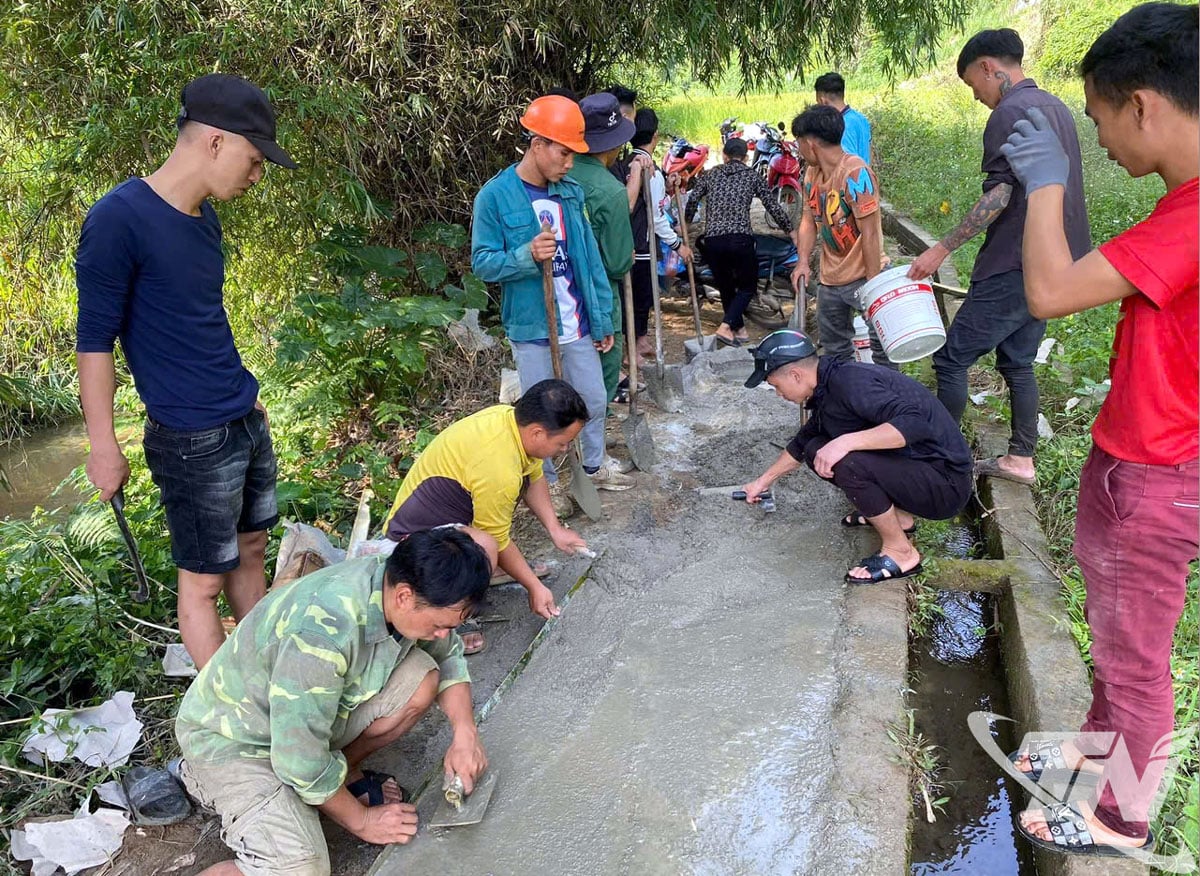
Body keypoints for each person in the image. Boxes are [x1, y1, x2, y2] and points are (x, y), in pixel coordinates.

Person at [998, 3, 1198, 858]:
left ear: (1144, 105)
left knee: (1133, 660)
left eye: (1100, 118)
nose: (1103, 141)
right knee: (1122, 642)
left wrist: (1046, 184)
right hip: (1153, 459)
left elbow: (1048, 291)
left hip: (1152, 472)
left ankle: (1121, 819)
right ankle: (1088, 758)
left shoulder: (1189, 219)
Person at [75, 74, 298, 670]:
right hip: (189, 437)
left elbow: (202, 318)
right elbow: (94, 344)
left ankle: (267, 679)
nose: (256, 176)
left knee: (252, 548)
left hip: (240, 416)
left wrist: (245, 392)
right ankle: (228, 722)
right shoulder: (118, 219)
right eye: (254, 160)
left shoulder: (203, 220)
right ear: (217, 142)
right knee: (201, 583)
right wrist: (104, 446)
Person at [176, 527, 495, 876]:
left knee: (423, 678)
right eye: (438, 625)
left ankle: (330, 785)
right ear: (404, 596)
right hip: (233, 743)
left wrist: (465, 735)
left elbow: (447, 657)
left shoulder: (393, 582)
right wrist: (363, 821)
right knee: (298, 868)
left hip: (290, 724)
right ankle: (289, 808)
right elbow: (299, 759)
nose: (443, 634)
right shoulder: (321, 635)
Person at [907, 29, 1091, 486]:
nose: (977, 97)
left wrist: (942, 247)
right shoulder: (1056, 107)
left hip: (1015, 260)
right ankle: (1020, 458)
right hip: (1060, 261)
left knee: (951, 360)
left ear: (990, 67)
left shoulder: (1008, 111)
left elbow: (1001, 194)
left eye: (974, 85)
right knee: (1017, 361)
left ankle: (943, 461)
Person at [471, 94, 635, 514]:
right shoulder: (495, 197)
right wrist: (526, 255)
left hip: (575, 322)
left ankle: (593, 468)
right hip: (532, 328)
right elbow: (483, 264)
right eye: (563, 153)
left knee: (595, 400)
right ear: (537, 143)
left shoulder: (570, 193)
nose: (568, 163)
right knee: (541, 418)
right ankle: (550, 485)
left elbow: (589, 260)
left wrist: (601, 318)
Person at [740, 330, 974, 584]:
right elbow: (802, 443)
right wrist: (762, 482)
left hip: (945, 484)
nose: (779, 394)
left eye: (776, 386)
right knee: (816, 448)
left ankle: (901, 552)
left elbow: (915, 424)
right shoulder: (828, 387)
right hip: (921, 471)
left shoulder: (851, 383)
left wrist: (845, 442)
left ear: (796, 375)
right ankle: (899, 517)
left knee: (846, 463)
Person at [384, 379, 593, 621]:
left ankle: (484, 572)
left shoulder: (510, 420)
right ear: (537, 433)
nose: (565, 449)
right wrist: (534, 586)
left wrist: (555, 529)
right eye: (562, 443)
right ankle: (454, 618)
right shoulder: (499, 468)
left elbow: (533, 476)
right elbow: (496, 538)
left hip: (442, 529)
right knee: (486, 548)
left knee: (487, 547)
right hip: (413, 548)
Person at [789, 105, 894, 369]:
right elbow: (808, 221)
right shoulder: (812, 174)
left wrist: (873, 287)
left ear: (810, 144)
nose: (798, 149)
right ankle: (846, 399)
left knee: (882, 347)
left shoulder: (856, 174)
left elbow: (870, 233)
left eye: (799, 142)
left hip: (864, 274)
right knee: (835, 348)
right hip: (831, 278)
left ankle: (887, 401)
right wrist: (802, 262)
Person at [684, 137, 792, 346]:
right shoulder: (751, 175)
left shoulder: (711, 174)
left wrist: (686, 223)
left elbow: (692, 199)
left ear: (724, 155)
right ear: (745, 157)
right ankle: (726, 327)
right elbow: (772, 205)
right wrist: (790, 229)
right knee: (747, 287)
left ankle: (739, 330)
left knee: (726, 286)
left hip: (713, 241)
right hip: (740, 240)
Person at [572, 93, 637, 407]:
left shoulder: (557, 173)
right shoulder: (611, 192)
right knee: (601, 375)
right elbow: (617, 262)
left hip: (560, 293)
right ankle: (594, 443)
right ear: (614, 145)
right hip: (598, 297)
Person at [612, 108, 693, 362]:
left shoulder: (622, 165)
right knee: (640, 299)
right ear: (655, 135)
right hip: (643, 244)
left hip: (624, 243)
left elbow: (648, 205)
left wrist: (668, 191)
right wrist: (678, 245)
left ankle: (637, 343)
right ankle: (632, 352)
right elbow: (657, 218)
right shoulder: (650, 170)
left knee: (630, 299)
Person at [814, 72, 872, 163]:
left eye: (818, 102)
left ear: (822, 100)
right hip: (866, 176)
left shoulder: (839, 125)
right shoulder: (861, 119)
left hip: (851, 176)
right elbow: (868, 155)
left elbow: (846, 164)